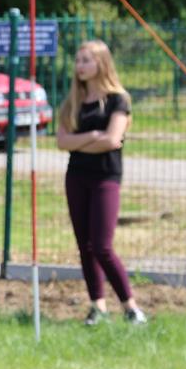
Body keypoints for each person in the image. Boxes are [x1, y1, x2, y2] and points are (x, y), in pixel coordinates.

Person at [55, 40, 148, 326]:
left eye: (86, 60)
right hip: (76, 177)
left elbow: (112, 140)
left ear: (102, 63)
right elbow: (62, 141)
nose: (80, 66)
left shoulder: (118, 100)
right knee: (84, 246)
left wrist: (82, 141)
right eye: (78, 60)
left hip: (106, 177)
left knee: (101, 246)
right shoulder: (73, 101)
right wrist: (93, 136)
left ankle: (131, 308)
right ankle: (97, 307)